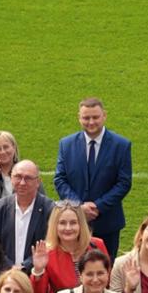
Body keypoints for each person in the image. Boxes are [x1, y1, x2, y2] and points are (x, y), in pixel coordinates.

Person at [55, 97, 135, 254]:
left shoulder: (121, 145)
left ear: (104, 116)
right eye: (86, 118)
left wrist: (98, 207)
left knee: (105, 270)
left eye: (95, 117)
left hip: (108, 223)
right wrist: (79, 207)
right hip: (74, 223)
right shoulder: (66, 144)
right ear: (79, 117)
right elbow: (60, 179)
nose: (91, 122)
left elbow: (124, 183)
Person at [29, 203, 108, 293]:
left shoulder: (97, 245)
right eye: (62, 223)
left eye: (73, 223)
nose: (68, 228)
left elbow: (108, 282)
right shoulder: (48, 253)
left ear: (81, 224)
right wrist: (38, 270)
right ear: (54, 226)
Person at [0, 160, 54, 272]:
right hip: (4, 275)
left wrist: (25, 267)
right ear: (11, 178)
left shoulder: (50, 209)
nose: (22, 183)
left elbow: (50, 243)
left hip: (36, 274)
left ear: (38, 182)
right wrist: (10, 267)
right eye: (18, 177)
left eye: (28, 178)